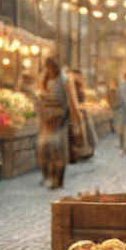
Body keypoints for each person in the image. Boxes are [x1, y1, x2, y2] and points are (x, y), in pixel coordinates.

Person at [36, 57, 81, 189]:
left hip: (55, 121)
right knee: (53, 152)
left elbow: (71, 101)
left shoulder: (57, 79)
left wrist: (74, 122)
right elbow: (71, 102)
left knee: (53, 152)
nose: (49, 70)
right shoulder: (53, 79)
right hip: (53, 121)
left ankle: (53, 179)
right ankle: (53, 178)